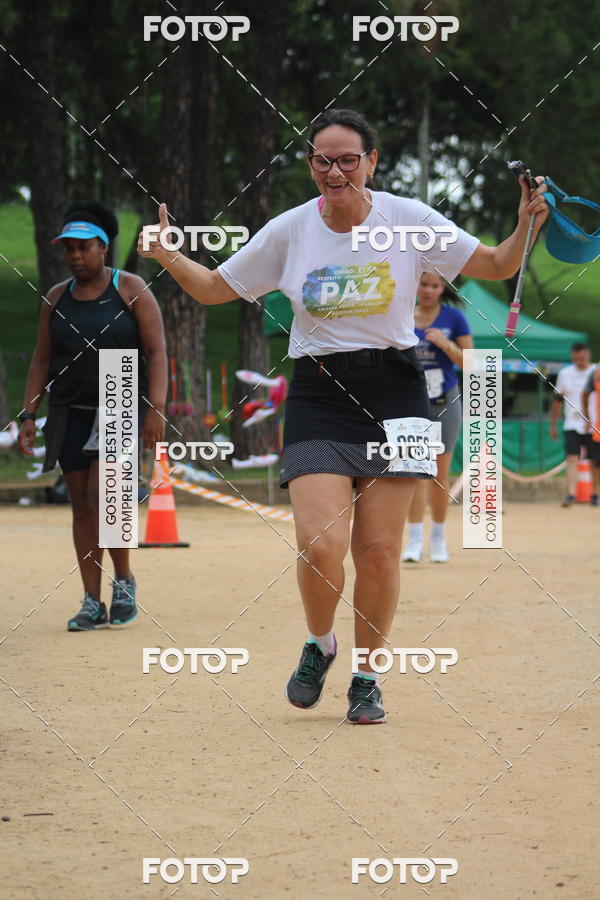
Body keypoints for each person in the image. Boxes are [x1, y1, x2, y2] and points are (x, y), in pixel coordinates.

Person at [138, 108, 548, 724]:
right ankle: (320, 643)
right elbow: (216, 288)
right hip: (320, 394)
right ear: (310, 166)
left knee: (380, 552)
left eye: (348, 159)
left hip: (396, 392)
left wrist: (523, 224)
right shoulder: (291, 230)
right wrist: (168, 255)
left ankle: (366, 676)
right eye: (323, 160)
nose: (336, 171)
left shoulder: (407, 218)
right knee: (318, 544)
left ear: (372, 162)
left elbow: (495, 265)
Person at [18, 201, 168, 630]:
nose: (75, 256)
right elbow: (41, 359)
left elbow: (156, 353)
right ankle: (90, 600)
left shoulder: (131, 288)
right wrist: (29, 413)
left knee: (109, 501)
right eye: (69, 249)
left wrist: (155, 410)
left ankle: (123, 582)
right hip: (69, 408)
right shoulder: (54, 297)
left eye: (83, 248)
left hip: (120, 396)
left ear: (103, 248)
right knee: (81, 506)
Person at [402, 274, 473, 563]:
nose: (428, 290)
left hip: (445, 399)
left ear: (443, 289)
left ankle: (438, 539)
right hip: (410, 402)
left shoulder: (454, 318)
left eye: (435, 285)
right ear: (415, 285)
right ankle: (415, 541)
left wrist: (445, 344)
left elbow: (471, 363)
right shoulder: (402, 314)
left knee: (438, 475)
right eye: (423, 284)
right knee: (414, 474)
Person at [550, 342, 596, 507]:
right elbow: (557, 401)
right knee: (571, 458)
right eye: (576, 358)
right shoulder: (565, 373)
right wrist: (553, 424)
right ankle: (571, 494)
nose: (580, 361)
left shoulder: (595, 372)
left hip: (593, 424)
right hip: (572, 422)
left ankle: (594, 494)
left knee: (594, 460)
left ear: (588, 355)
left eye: (582, 357)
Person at [582, 363, 600, 502]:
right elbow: (585, 394)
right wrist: (587, 417)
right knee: (595, 461)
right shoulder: (596, 375)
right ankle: (595, 493)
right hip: (597, 428)